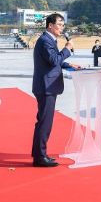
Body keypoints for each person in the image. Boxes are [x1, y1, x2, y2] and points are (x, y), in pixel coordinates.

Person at [31, 14, 79, 167]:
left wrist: (68, 65)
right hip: (46, 87)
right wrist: (67, 48)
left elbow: (53, 60)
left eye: (63, 25)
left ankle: (39, 154)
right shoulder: (46, 40)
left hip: (47, 86)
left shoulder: (49, 40)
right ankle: (40, 157)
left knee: (43, 122)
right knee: (45, 123)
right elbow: (54, 60)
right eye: (59, 24)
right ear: (50, 25)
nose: (62, 28)